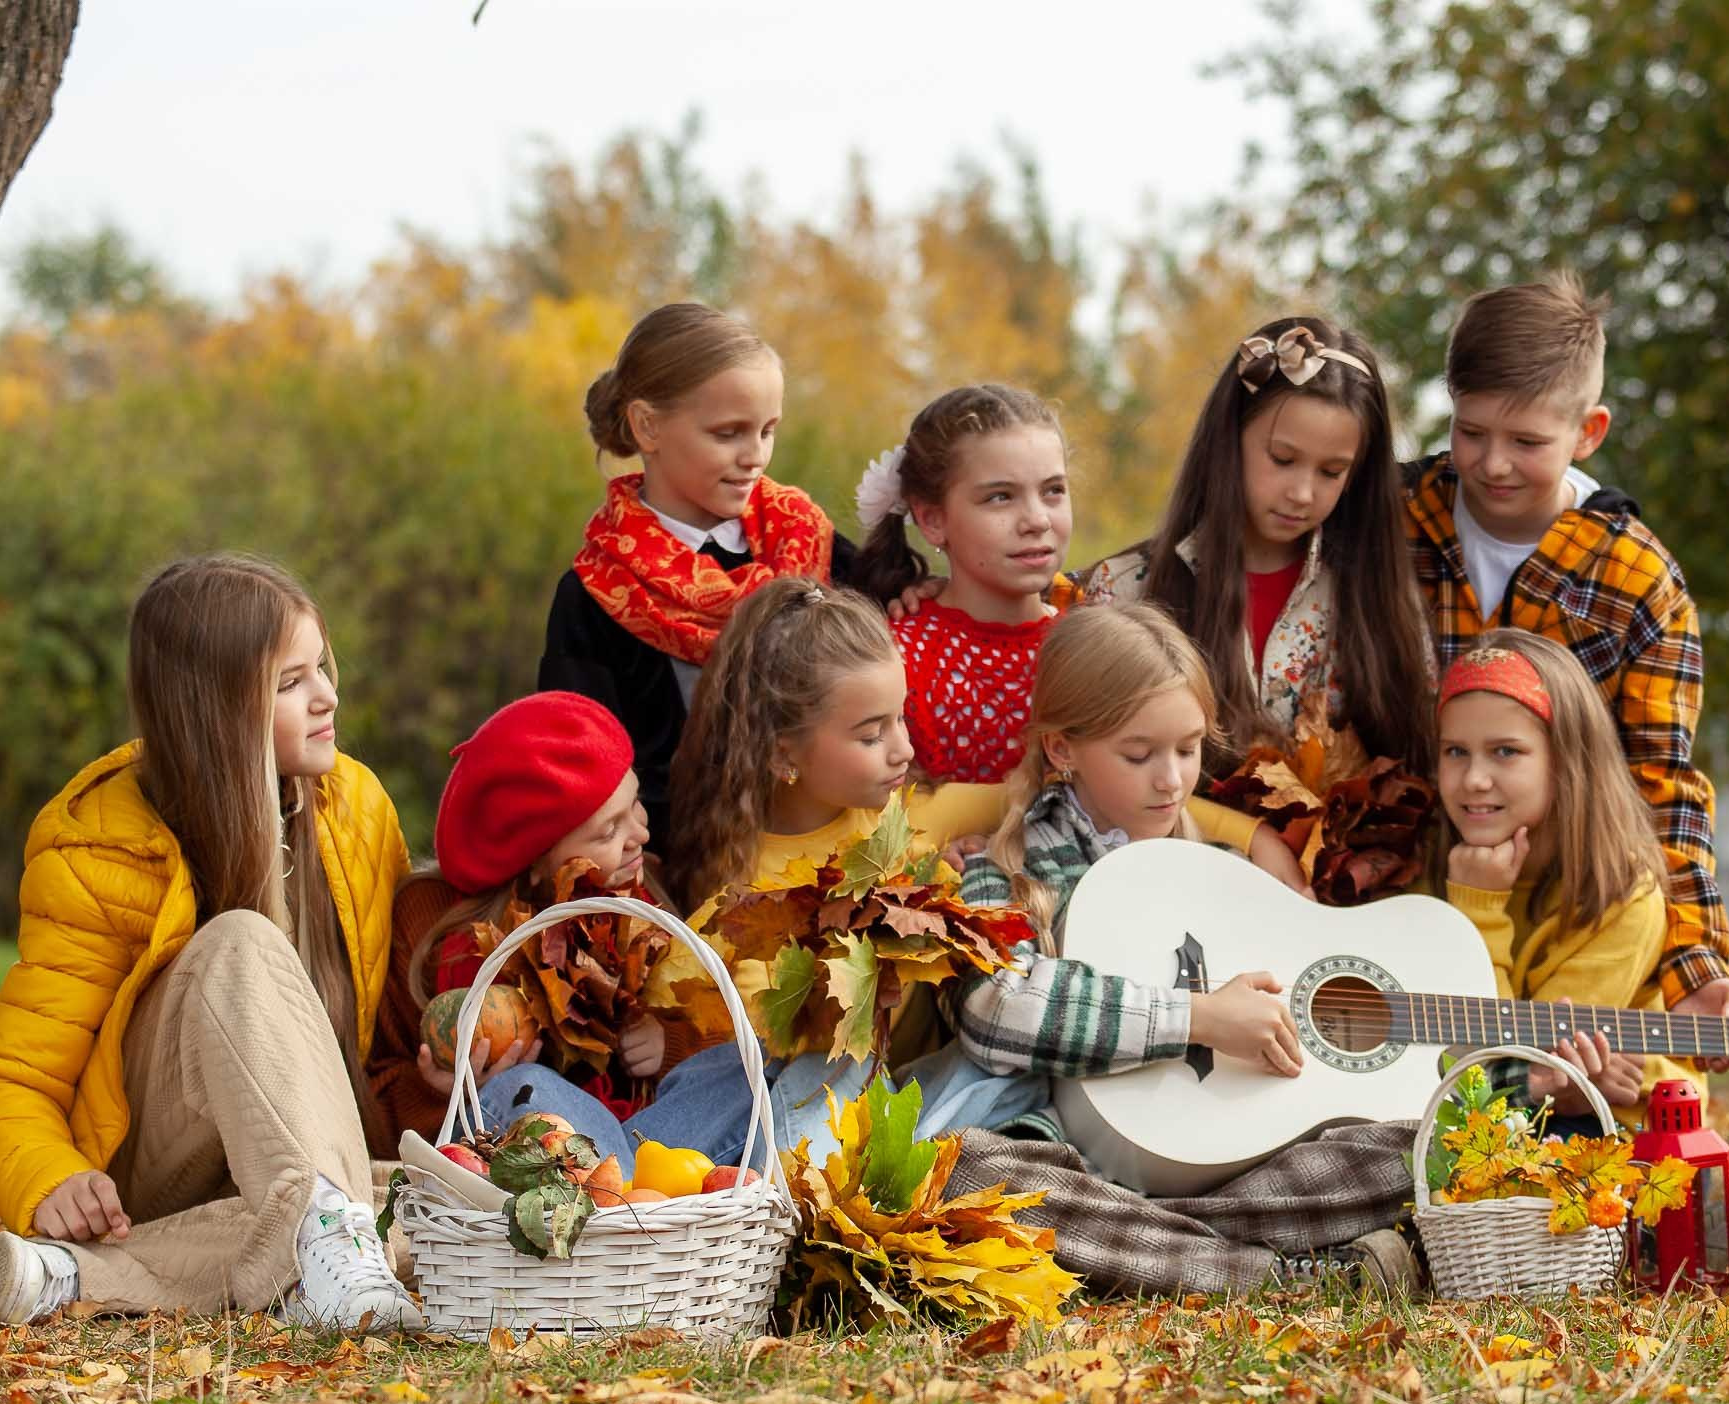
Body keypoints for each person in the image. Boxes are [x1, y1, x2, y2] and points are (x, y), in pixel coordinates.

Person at [640, 579, 1291, 1163]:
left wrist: (1257, 836)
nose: (904, 748)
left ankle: (823, 1187)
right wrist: (661, 1036)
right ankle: (788, 1194)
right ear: (784, 753)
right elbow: (695, 1019)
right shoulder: (745, 883)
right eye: (872, 734)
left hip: (935, 1095)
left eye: (901, 718)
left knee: (1010, 1079)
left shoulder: (909, 819)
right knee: (808, 1071)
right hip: (819, 1092)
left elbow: (1044, 792)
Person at [0, 555, 419, 1328]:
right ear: (217, 709)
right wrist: (50, 1176)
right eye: (290, 682)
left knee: (448, 1203)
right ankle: (332, 1246)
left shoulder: (359, 810)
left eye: (322, 668)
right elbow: (5, 1080)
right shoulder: (99, 847)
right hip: (164, 1161)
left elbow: (384, 1036)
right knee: (239, 945)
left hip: (297, 1167)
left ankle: (69, 1277)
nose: (327, 696)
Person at [940, 605, 1421, 1296]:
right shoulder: (1006, 872)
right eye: (1139, 755)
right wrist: (1197, 1018)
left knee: (1411, 1142)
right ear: (1062, 749)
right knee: (974, 1175)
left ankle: (1164, 1244)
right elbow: (994, 1006)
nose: (1171, 779)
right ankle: (1287, 1275)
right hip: (1080, 1166)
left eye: (1189, 749)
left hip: (1232, 1165)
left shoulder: (1227, 873)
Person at [1400, 272, 1729, 1063]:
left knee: (1565, 1082)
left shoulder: (1638, 581)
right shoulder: (1393, 520)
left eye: (1527, 442)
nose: (1492, 463)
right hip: (1407, 883)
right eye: (1470, 431)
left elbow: (1663, 777)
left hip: (1569, 913)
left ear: (1588, 432)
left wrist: (1693, 960)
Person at [537, 302, 856, 862]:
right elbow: (580, 766)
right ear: (648, 426)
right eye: (728, 433)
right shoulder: (596, 593)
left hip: (831, 854)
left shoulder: (811, 543)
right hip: (673, 868)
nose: (755, 456)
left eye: (768, 431)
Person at [366, 692, 713, 1161]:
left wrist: (668, 1044)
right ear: (534, 861)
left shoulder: (641, 902)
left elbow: (709, 1035)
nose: (642, 834)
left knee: (746, 1068)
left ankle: (637, 1188)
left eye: (635, 803)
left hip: (659, 1145)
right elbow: (376, 1099)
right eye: (609, 831)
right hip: (537, 1162)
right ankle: (624, 1196)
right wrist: (443, 1091)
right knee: (526, 1087)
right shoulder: (433, 931)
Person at [1082, 316, 1435, 775]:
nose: (1302, 493)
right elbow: (1082, 772)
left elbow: (1418, 771)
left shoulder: (1384, 599)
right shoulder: (1125, 591)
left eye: (1331, 472)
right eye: (1282, 459)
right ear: (1229, 441)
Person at [1437, 630, 1703, 1132]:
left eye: (1505, 751)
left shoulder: (1621, 893)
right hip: (1504, 1111)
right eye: (1455, 751)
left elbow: (1511, 1058)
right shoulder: (1433, 867)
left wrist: (1479, 905)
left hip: (1611, 1129)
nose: (1473, 778)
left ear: (1566, 761)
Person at [857, 384, 1070, 786]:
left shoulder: (1096, 642)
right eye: (1000, 497)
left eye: (1053, 491)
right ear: (932, 520)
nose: (1038, 519)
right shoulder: (893, 661)